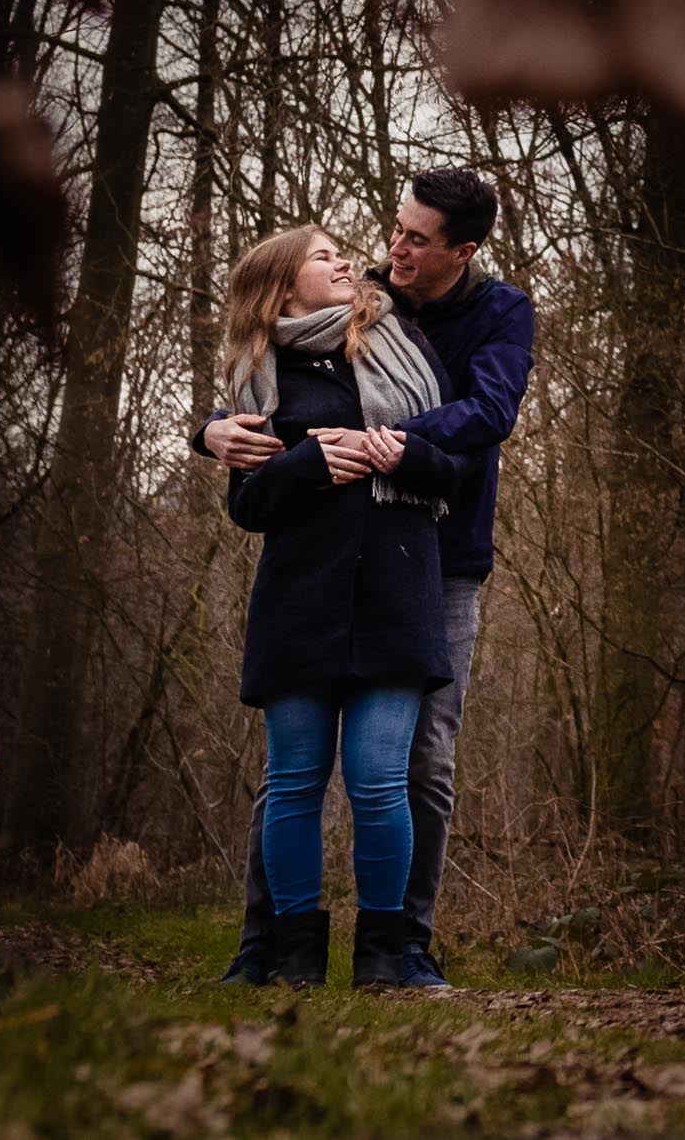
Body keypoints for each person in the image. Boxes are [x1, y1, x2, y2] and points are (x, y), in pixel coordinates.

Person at [202, 169, 534, 989]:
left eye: (416, 240)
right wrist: (209, 430)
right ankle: (271, 947)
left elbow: (489, 416)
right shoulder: (354, 305)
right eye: (394, 230)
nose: (390, 252)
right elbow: (251, 433)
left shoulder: (495, 313)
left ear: (463, 250)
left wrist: (390, 442)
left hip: (433, 562)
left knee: (414, 769)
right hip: (312, 578)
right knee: (292, 774)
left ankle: (400, 949)